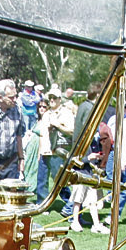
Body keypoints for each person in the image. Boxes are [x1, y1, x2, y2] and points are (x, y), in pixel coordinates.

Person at [36, 86, 74, 218]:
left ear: (60, 99)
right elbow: (42, 135)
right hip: (45, 150)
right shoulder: (46, 114)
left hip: (58, 151)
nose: (51, 100)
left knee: (59, 180)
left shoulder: (66, 113)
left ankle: (71, 203)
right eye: (49, 98)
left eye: (54, 98)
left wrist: (58, 125)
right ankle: (42, 204)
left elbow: (72, 131)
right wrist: (39, 152)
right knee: (42, 179)